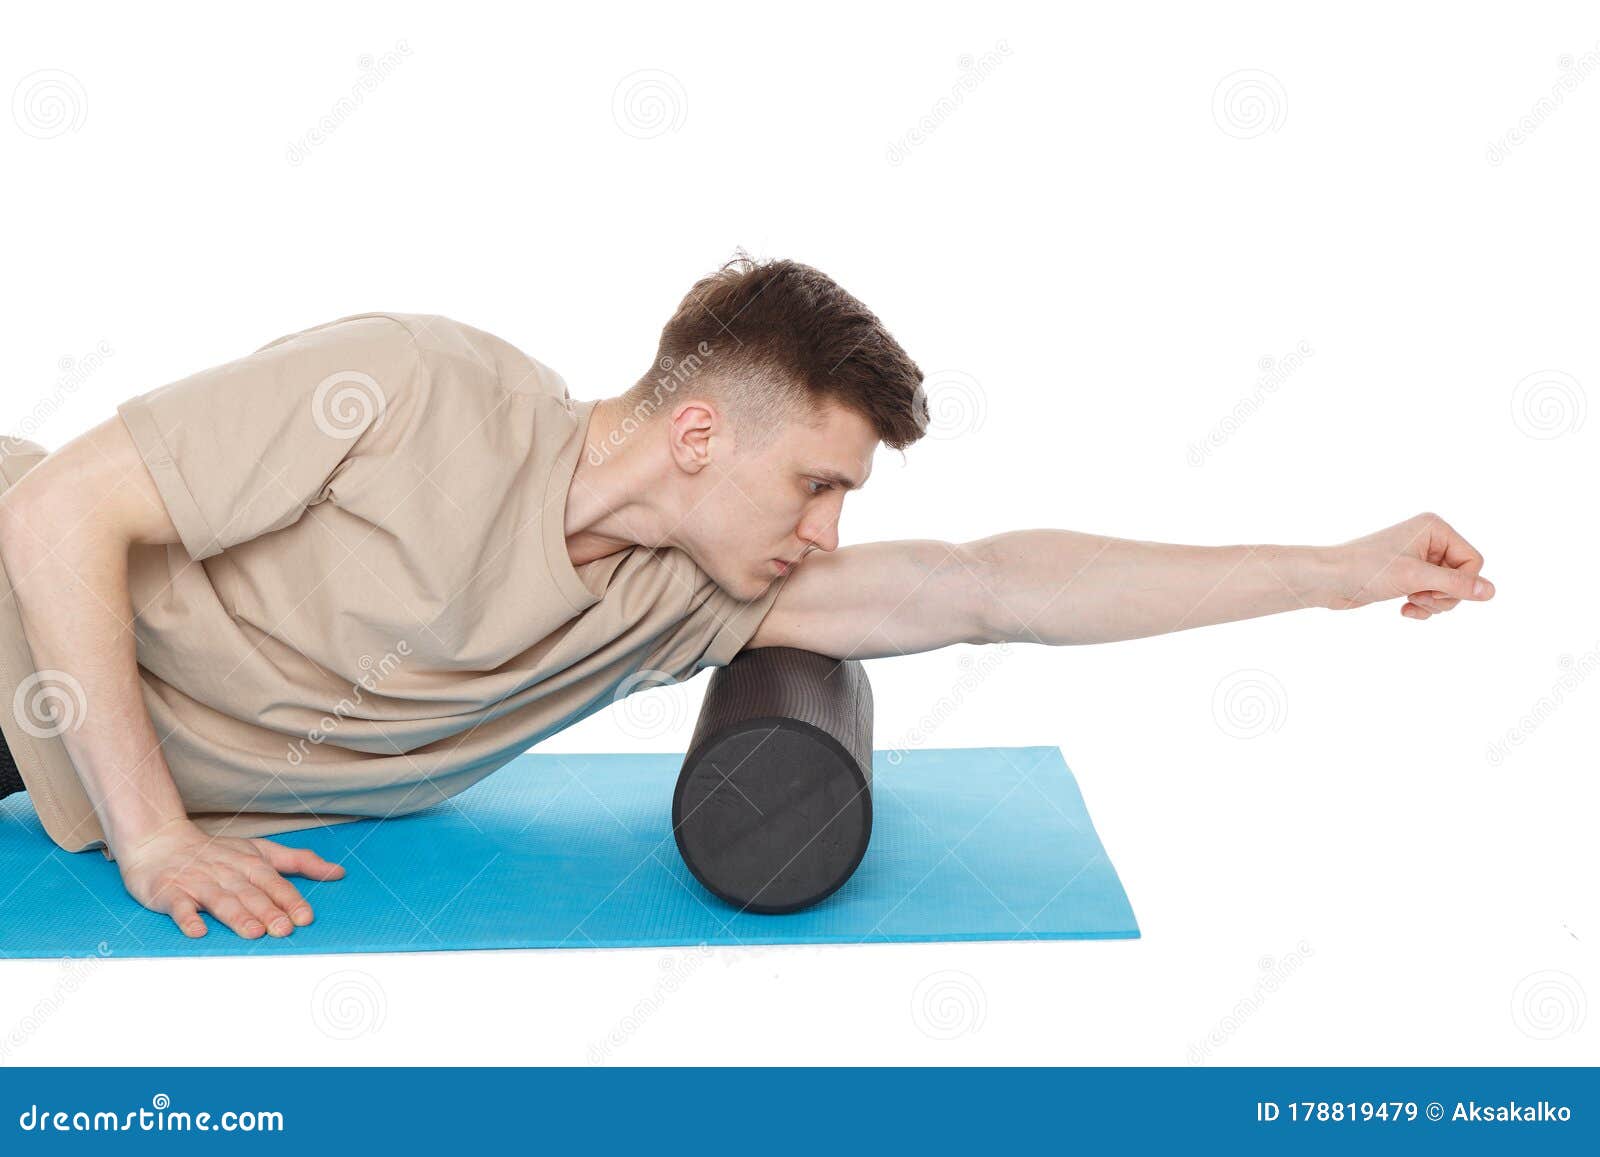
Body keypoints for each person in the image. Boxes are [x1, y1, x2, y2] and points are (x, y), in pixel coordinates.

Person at [0, 255, 1495, 942]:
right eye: (817, 486)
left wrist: (1330, 573)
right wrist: (155, 836)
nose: (828, 536)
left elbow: (993, 588)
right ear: (700, 435)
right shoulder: (412, 386)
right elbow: (58, 504)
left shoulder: (685, 603)